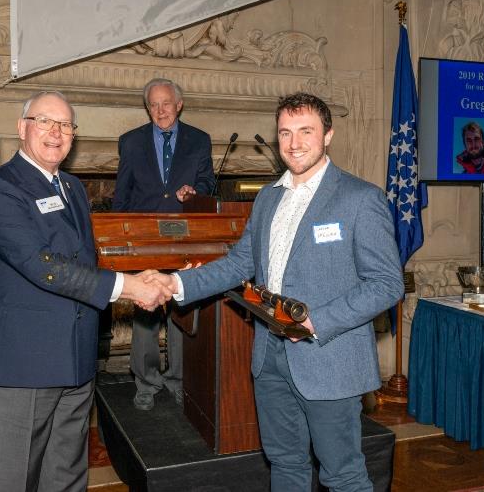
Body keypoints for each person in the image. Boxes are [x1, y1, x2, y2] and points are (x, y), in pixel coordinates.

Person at [146, 92, 404, 490]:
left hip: (329, 360)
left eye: (306, 131)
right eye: (285, 132)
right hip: (269, 359)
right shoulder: (267, 198)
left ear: (328, 135)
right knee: (284, 464)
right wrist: (174, 283)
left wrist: (317, 321)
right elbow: (238, 265)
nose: (294, 143)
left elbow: (387, 284)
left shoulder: (360, 198)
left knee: (344, 475)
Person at [0, 90, 172, 492]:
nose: (56, 132)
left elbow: (82, 262)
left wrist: (137, 274)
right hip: (21, 366)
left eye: (65, 125)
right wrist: (129, 286)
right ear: (22, 128)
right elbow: (42, 266)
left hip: (75, 362)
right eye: (45, 121)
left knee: (65, 478)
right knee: (14, 481)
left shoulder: (74, 189)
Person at [112, 78, 215, 411]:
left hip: (185, 238)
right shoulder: (130, 142)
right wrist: (119, 235)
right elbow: (122, 194)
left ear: (179, 104)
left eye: (166, 104)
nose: (160, 111)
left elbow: (207, 183)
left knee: (180, 310)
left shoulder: (200, 140)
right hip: (144, 240)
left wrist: (193, 192)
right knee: (146, 312)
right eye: (154, 105)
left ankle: (177, 380)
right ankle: (146, 382)